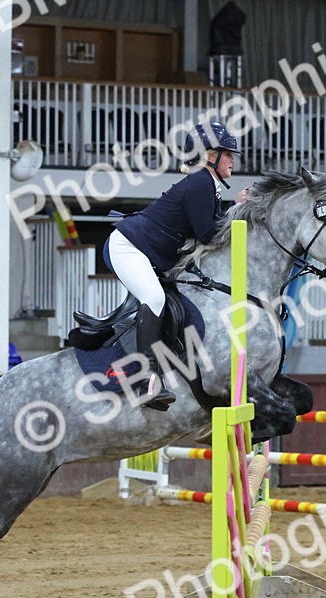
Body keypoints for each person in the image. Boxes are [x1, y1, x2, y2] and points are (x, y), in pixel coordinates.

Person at [104, 120, 248, 411]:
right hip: (127, 247)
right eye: (227, 153)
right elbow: (209, 234)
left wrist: (234, 206)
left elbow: (211, 224)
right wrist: (239, 209)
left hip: (142, 249)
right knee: (154, 298)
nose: (233, 159)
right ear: (209, 155)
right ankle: (145, 381)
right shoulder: (200, 181)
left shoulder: (206, 183)